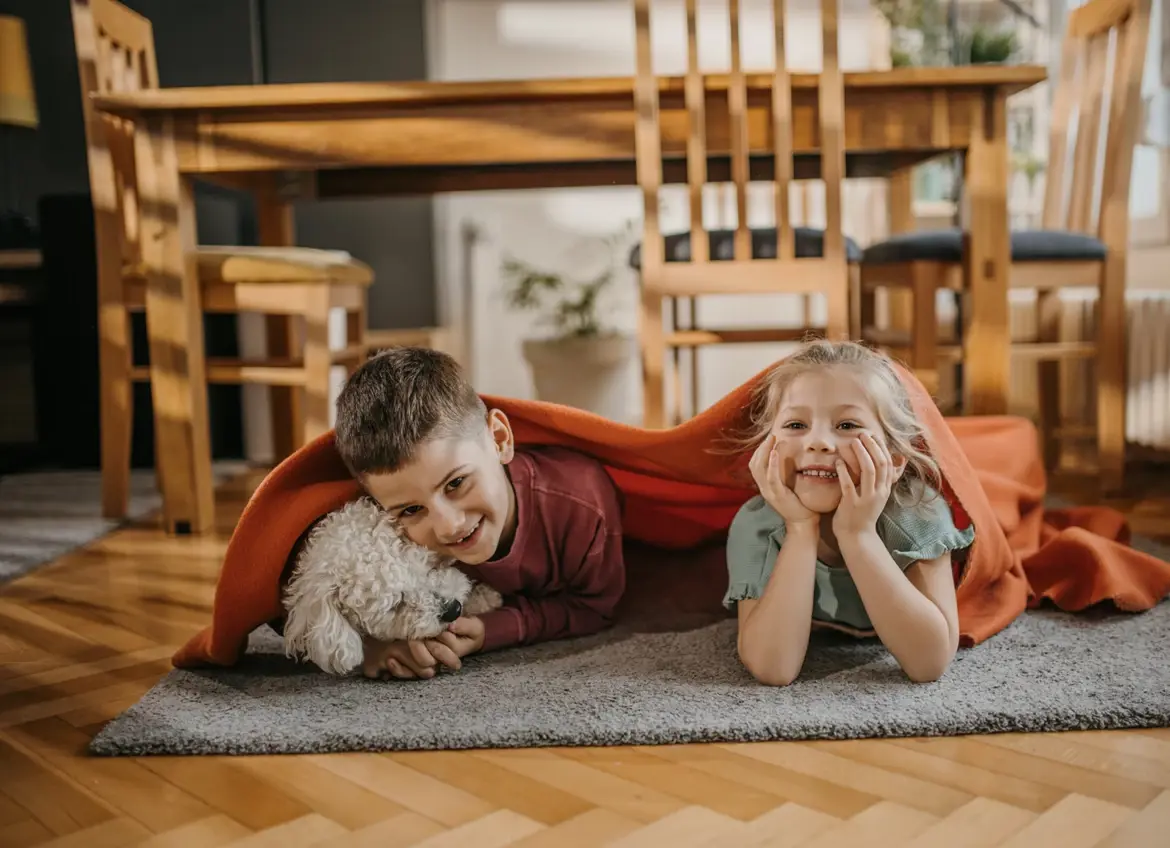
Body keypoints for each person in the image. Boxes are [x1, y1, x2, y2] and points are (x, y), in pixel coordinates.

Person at [332, 346, 625, 681]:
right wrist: (372, 644)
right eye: (412, 510)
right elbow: (294, 597)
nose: (448, 526)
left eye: (456, 483)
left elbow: (596, 607)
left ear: (499, 439)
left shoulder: (584, 503)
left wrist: (497, 629)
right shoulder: (384, 528)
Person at [725, 339, 975, 685]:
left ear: (895, 459)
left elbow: (929, 663)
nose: (819, 442)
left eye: (846, 425)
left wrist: (857, 534)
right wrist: (800, 529)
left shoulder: (918, 512)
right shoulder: (757, 523)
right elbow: (773, 669)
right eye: (796, 425)